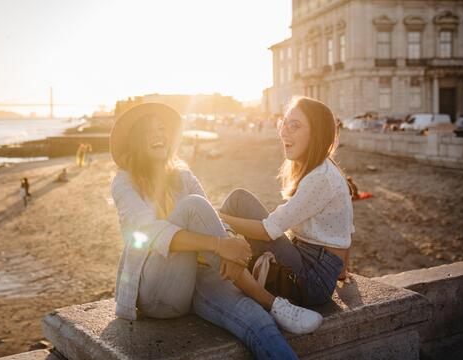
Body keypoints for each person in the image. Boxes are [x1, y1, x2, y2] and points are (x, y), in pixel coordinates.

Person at [110, 103, 323, 360]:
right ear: (135, 140)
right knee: (192, 206)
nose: (158, 135)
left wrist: (230, 238)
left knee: (255, 320)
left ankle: (270, 311)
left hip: (197, 274)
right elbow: (149, 233)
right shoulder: (124, 181)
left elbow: (209, 217)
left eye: (162, 128)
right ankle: (272, 302)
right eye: (148, 131)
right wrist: (220, 245)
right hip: (156, 291)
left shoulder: (182, 175)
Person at [219, 96, 354, 309]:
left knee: (238, 201)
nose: (284, 131)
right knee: (235, 209)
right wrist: (342, 270)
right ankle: (221, 258)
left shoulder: (320, 178)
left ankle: (215, 267)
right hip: (311, 267)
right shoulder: (325, 169)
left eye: (295, 125)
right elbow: (346, 229)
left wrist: (218, 218)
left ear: (317, 134)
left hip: (310, 282)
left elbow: (266, 231)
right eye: (284, 122)